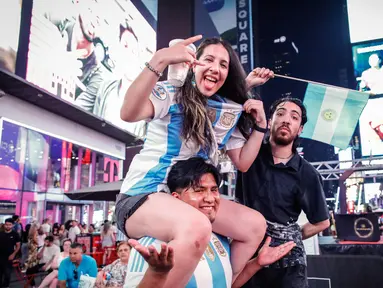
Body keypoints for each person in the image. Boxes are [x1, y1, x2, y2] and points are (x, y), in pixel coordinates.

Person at [116, 35, 273, 288]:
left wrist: (261, 126)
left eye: (223, 64)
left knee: (255, 225)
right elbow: (128, 113)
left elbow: (242, 163)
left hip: (191, 201)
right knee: (199, 226)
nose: (216, 68)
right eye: (208, 60)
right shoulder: (172, 93)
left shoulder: (228, 110)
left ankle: (226, 282)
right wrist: (160, 58)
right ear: (192, 63)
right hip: (143, 196)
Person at [125, 158, 295, 288]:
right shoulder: (153, 246)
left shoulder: (219, 238)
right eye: (199, 191)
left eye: (213, 190)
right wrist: (157, 273)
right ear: (176, 199)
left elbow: (228, 283)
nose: (210, 198)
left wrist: (256, 264)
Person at [236, 97, 330, 288]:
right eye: (280, 113)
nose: (286, 120)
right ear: (269, 122)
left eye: (294, 117)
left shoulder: (308, 174)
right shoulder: (249, 155)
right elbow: (230, 120)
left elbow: (322, 222)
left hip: (288, 266)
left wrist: (287, 238)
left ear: (300, 129)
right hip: (246, 256)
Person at [0, 218, 21, 288]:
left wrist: (13, 254)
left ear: (12, 225)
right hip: (0, 256)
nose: (8, 226)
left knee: (7, 273)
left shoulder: (15, 234)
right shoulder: (1, 233)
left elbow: (18, 246)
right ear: (4, 225)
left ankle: (6, 286)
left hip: (9, 257)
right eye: (6, 225)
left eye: (9, 225)